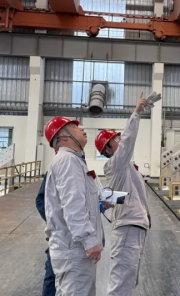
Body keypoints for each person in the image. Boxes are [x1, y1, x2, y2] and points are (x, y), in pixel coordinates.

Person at [95, 93, 151, 296]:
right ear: (108, 149)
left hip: (132, 227)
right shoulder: (115, 164)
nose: (120, 140)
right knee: (121, 284)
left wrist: (106, 200)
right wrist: (136, 113)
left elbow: (122, 196)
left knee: (127, 281)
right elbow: (128, 141)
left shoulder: (123, 167)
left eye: (118, 137)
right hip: (128, 229)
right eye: (116, 139)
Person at [44, 117, 103, 296]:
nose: (82, 129)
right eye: (73, 126)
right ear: (63, 135)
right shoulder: (68, 160)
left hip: (72, 249)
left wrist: (99, 205)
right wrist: (89, 240)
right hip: (75, 250)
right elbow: (73, 205)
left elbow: (78, 201)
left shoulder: (73, 160)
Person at [36, 174, 55, 296]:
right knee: (52, 276)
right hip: (59, 235)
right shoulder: (56, 169)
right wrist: (55, 223)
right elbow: (40, 200)